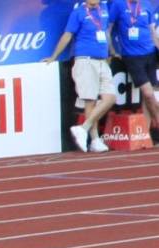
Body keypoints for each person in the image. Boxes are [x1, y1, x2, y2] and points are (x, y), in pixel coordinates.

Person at [43, 0, 118, 152]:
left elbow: (105, 31)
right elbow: (67, 35)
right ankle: (95, 140)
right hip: (85, 60)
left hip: (102, 60)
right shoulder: (78, 13)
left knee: (110, 98)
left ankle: (83, 128)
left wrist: (111, 51)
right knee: (90, 101)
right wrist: (54, 56)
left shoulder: (104, 9)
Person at [111, 0, 159, 132]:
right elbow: (108, 28)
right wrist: (112, 50)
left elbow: (152, 31)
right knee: (148, 94)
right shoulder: (118, 4)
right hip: (132, 56)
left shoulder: (146, 4)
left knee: (147, 97)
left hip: (150, 54)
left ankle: (146, 132)